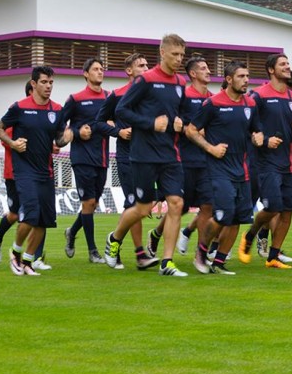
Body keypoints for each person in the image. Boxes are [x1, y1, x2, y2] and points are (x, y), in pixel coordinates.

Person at [104, 34, 188, 277]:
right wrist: (151, 123)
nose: (179, 59)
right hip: (143, 155)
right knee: (142, 209)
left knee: (176, 203)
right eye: (175, 54)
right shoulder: (145, 80)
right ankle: (115, 237)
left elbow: (179, 114)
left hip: (170, 155)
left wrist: (180, 122)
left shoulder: (181, 83)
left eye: (182, 55)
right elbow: (122, 111)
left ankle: (167, 262)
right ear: (162, 53)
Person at [185, 60, 264, 275]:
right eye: (241, 76)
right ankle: (201, 253)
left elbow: (257, 131)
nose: (246, 80)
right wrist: (210, 148)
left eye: (247, 76)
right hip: (219, 169)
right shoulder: (213, 103)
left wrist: (259, 137)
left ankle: (219, 262)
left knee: (238, 217)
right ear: (229, 79)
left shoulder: (250, 104)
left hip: (243, 169)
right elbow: (191, 130)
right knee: (223, 215)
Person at [0, 66, 73, 276]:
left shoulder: (57, 110)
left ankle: (28, 261)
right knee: (30, 214)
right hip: (23, 170)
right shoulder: (19, 108)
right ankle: (15, 253)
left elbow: (57, 139)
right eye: (44, 82)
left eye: (51, 83)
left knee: (43, 221)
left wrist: (67, 137)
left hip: (45, 171)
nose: (48, 86)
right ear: (34, 84)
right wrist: (12, 143)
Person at [147, 55, 215, 274]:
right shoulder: (184, 96)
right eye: (203, 68)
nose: (208, 70)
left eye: (208, 67)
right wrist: (187, 128)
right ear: (193, 74)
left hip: (207, 161)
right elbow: (174, 123)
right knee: (182, 207)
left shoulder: (213, 98)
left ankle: (201, 255)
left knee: (207, 206)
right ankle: (156, 234)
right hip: (184, 160)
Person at [237, 53, 292, 269]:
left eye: (288, 63)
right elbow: (246, 129)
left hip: (289, 163)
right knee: (273, 206)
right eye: (282, 64)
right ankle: (251, 234)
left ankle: (273, 257)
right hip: (265, 163)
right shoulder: (258, 96)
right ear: (271, 70)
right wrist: (265, 140)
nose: (287, 66)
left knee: (289, 210)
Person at [95, 53, 158, 270]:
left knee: (153, 203)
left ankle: (116, 238)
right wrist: (118, 132)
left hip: (151, 157)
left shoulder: (153, 94)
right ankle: (139, 254)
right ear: (129, 71)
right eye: (141, 65)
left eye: (147, 64)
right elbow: (98, 123)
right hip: (127, 158)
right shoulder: (116, 95)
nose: (146, 67)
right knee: (135, 204)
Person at [0, 80, 52, 271]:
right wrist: (15, 143)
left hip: (39, 172)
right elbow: (4, 138)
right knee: (17, 214)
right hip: (14, 172)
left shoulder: (48, 112)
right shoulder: (17, 111)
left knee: (38, 214)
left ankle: (32, 258)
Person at [61, 57, 116, 264]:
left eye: (102, 69)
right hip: (82, 158)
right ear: (85, 74)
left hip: (102, 159)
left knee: (91, 205)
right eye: (95, 69)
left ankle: (71, 231)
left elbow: (115, 121)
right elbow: (60, 126)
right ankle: (93, 251)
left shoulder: (110, 97)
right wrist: (76, 131)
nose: (100, 72)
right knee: (89, 202)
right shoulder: (75, 99)